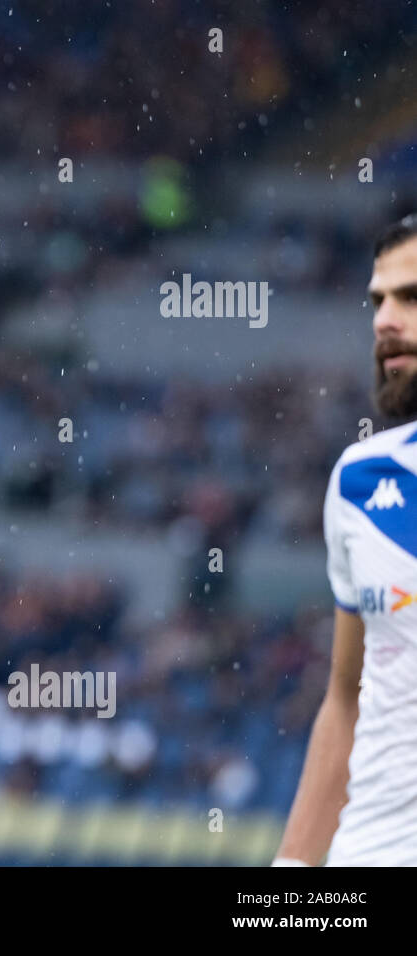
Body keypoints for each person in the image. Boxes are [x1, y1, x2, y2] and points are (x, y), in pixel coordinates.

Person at [277, 213, 417, 866]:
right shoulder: (361, 480)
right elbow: (345, 698)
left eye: (412, 297)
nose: (385, 320)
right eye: (379, 300)